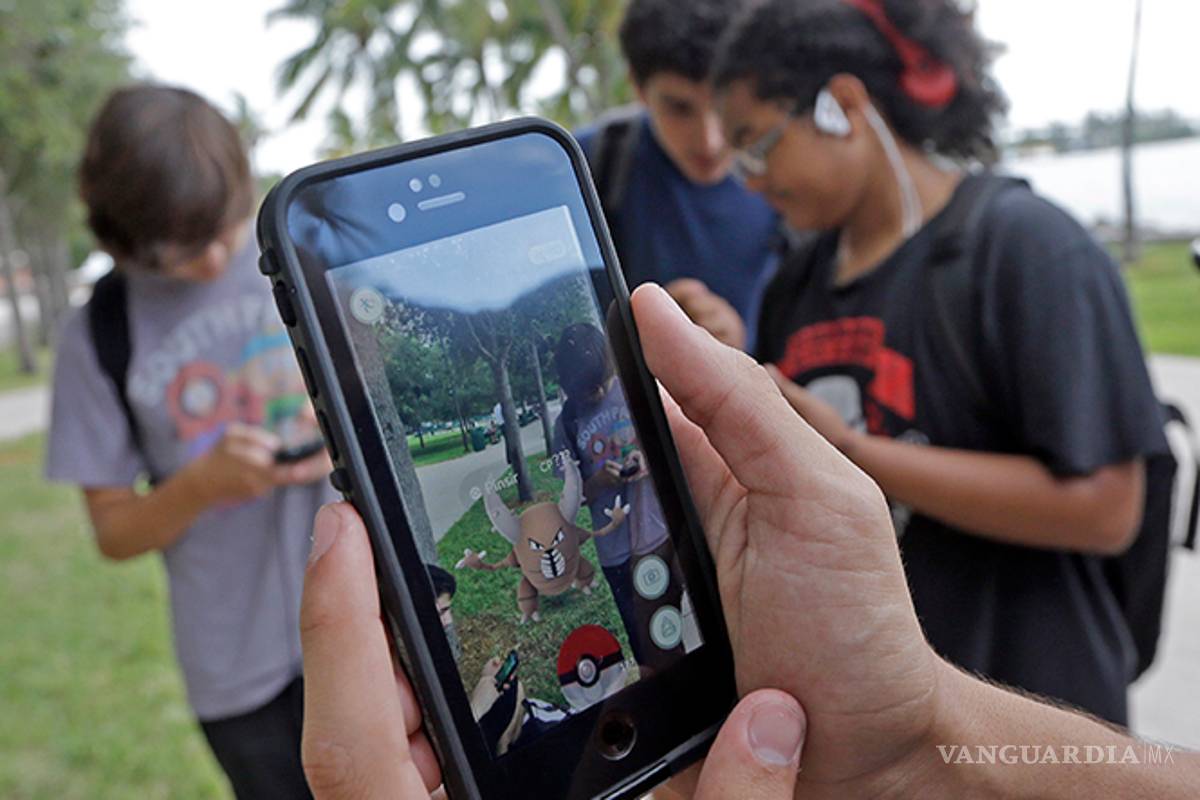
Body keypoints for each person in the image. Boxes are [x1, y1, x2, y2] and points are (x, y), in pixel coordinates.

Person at [297, 285, 1198, 799]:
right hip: (622, 552)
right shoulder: (580, 418)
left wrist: (915, 740)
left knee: (664, 646)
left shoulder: (618, 401)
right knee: (647, 648)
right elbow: (593, 479)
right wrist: (916, 739)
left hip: (655, 551)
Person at [709, 0, 1169, 725]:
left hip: (1037, 722)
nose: (750, 181)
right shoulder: (796, 285)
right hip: (882, 728)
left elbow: (1106, 508)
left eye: (756, 145)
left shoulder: (1025, 250)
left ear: (844, 106)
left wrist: (856, 452)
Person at [45, 85, 334, 799]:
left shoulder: (307, 243)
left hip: (370, 615)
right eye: (180, 253)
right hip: (237, 669)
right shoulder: (101, 332)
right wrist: (202, 483)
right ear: (121, 238)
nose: (211, 260)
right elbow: (112, 530)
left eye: (225, 230)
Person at [576, 0, 780, 351]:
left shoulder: (793, 174)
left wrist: (738, 348)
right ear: (638, 89)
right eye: (679, 108)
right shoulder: (587, 166)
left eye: (722, 107)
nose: (710, 140)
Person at [551, 323, 684, 673]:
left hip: (664, 529)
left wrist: (645, 455)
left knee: (687, 618)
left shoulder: (632, 386)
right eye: (586, 390)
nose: (597, 392)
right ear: (568, 388)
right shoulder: (567, 423)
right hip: (617, 552)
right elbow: (571, 496)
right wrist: (597, 482)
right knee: (650, 646)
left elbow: (674, 436)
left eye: (601, 382)